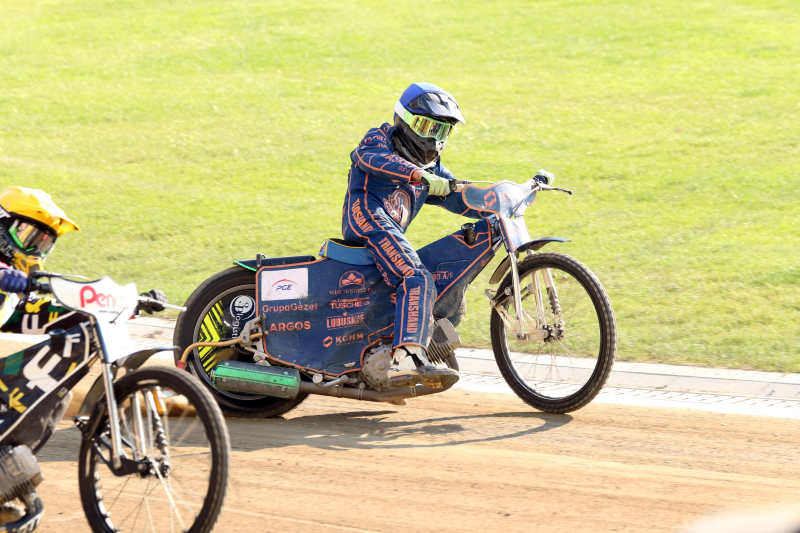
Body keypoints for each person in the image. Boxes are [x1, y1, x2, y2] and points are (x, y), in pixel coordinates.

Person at [342, 82, 481, 389]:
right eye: (427, 126)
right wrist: (419, 175)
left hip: (387, 229)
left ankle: (410, 346)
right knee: (416, 277)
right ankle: (407, 359)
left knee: (441, 282)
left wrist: (503, 200)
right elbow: (370, 159)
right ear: (404, 120)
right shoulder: (378, 139)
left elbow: (463, 198)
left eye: (442, 131)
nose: (433, 138)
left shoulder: (431, 168)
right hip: (367, 219)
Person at [0, 186, 165, 337]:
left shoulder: (15, 286)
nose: (35, 249)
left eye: (41, 243)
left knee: (85, 316)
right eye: (28, 236)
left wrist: (130, 304)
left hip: (14, 308)